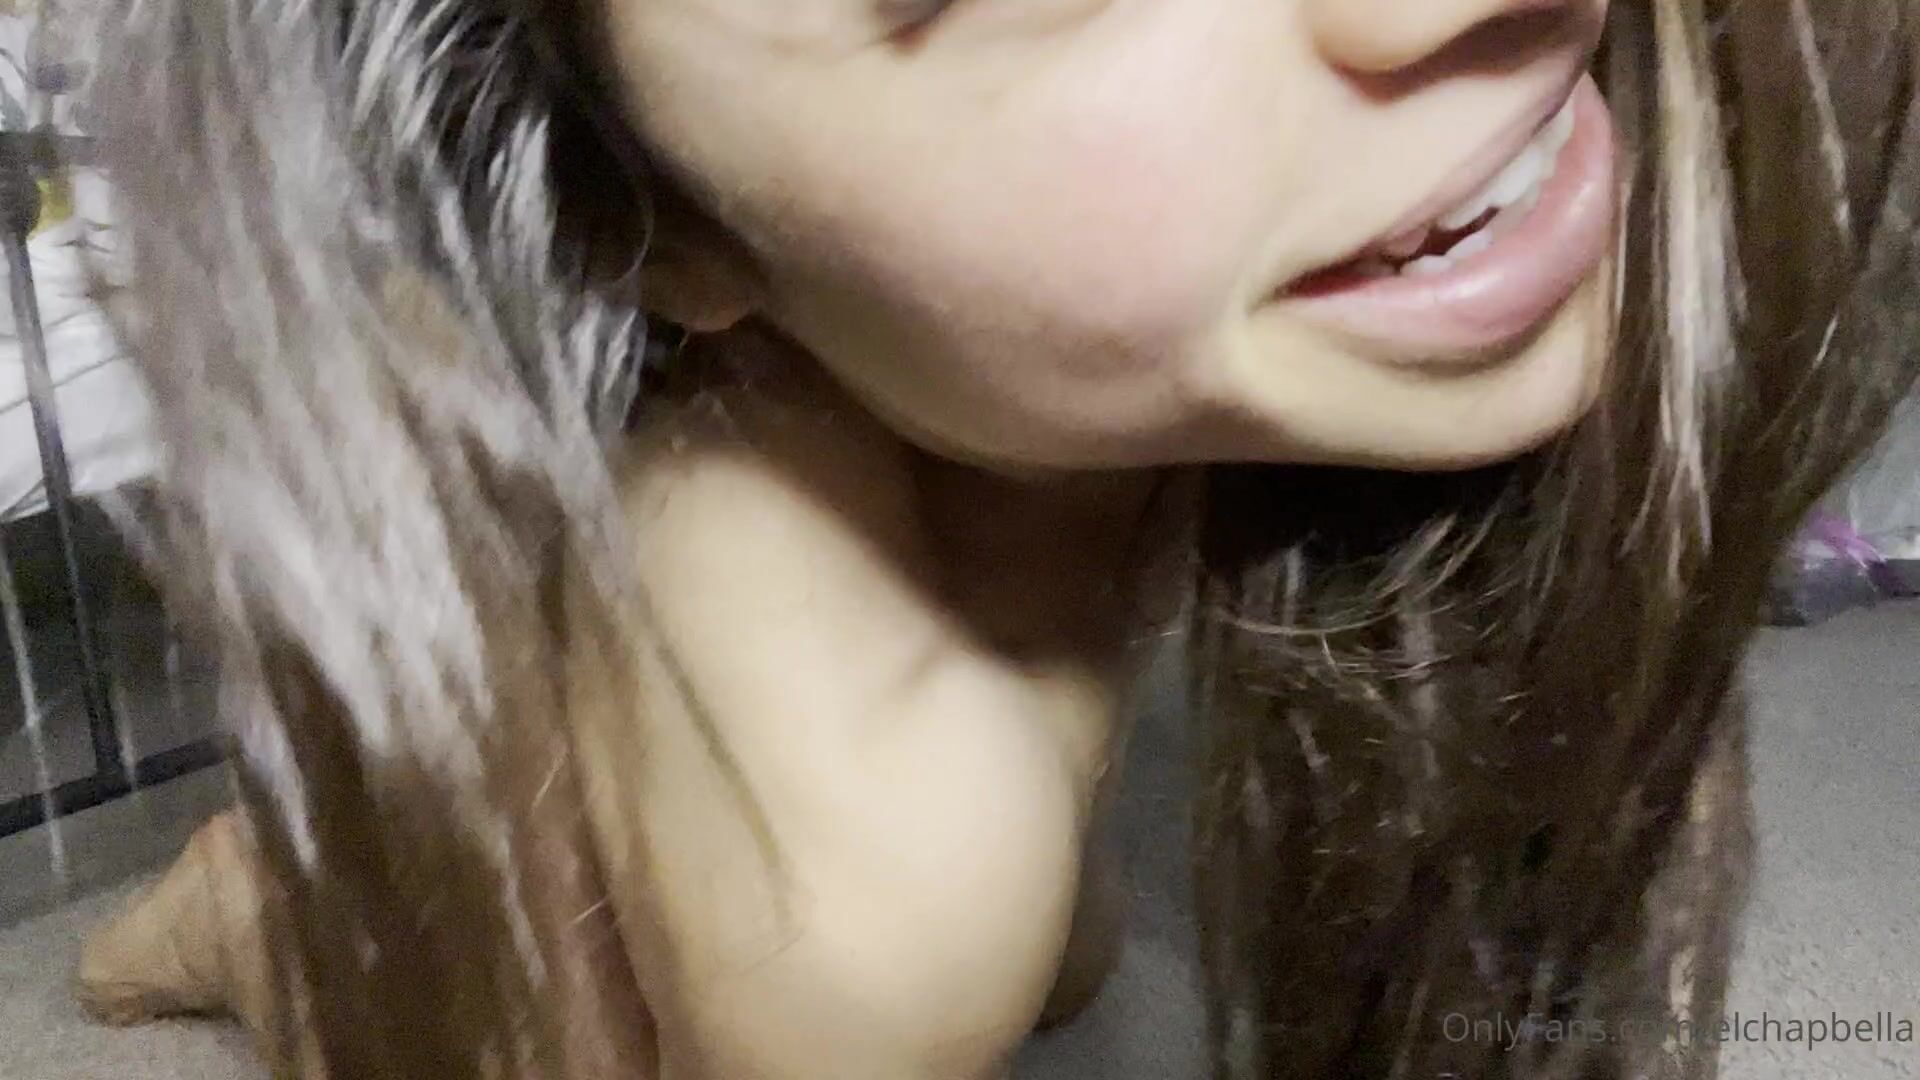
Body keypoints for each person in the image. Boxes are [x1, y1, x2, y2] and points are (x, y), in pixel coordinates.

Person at [68, 0, 1920, 1077]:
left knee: (1061, 951)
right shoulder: (885, 905)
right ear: (651, 223)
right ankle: (256, 915)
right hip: (656, 924)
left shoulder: (1009, 385)